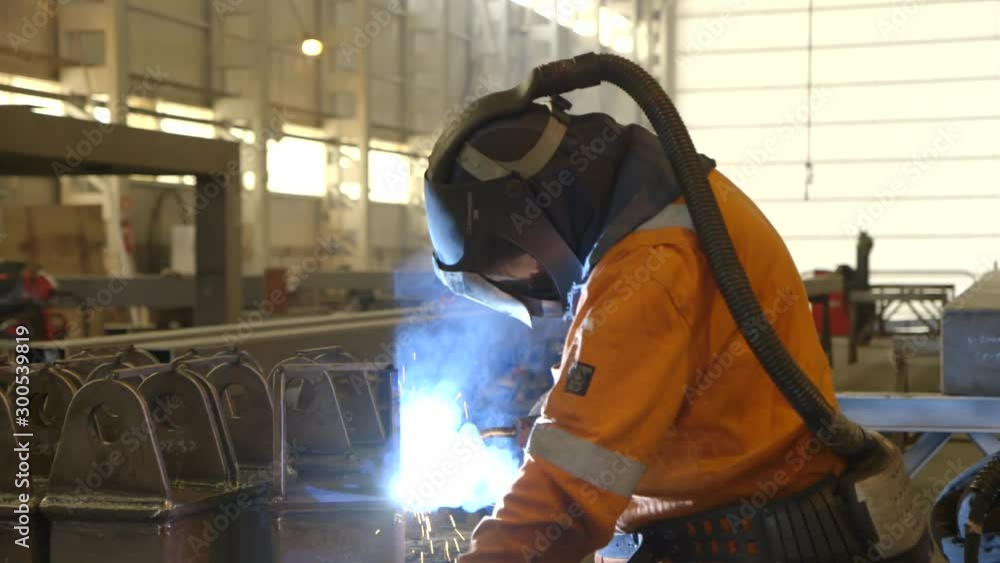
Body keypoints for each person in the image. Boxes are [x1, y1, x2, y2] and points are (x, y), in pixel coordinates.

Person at [422, 97, 932, 563]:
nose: (534, 282)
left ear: (532, 215)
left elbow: (567, 496)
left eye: (521, 268)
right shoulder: (672, 206)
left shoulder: (646, 263)